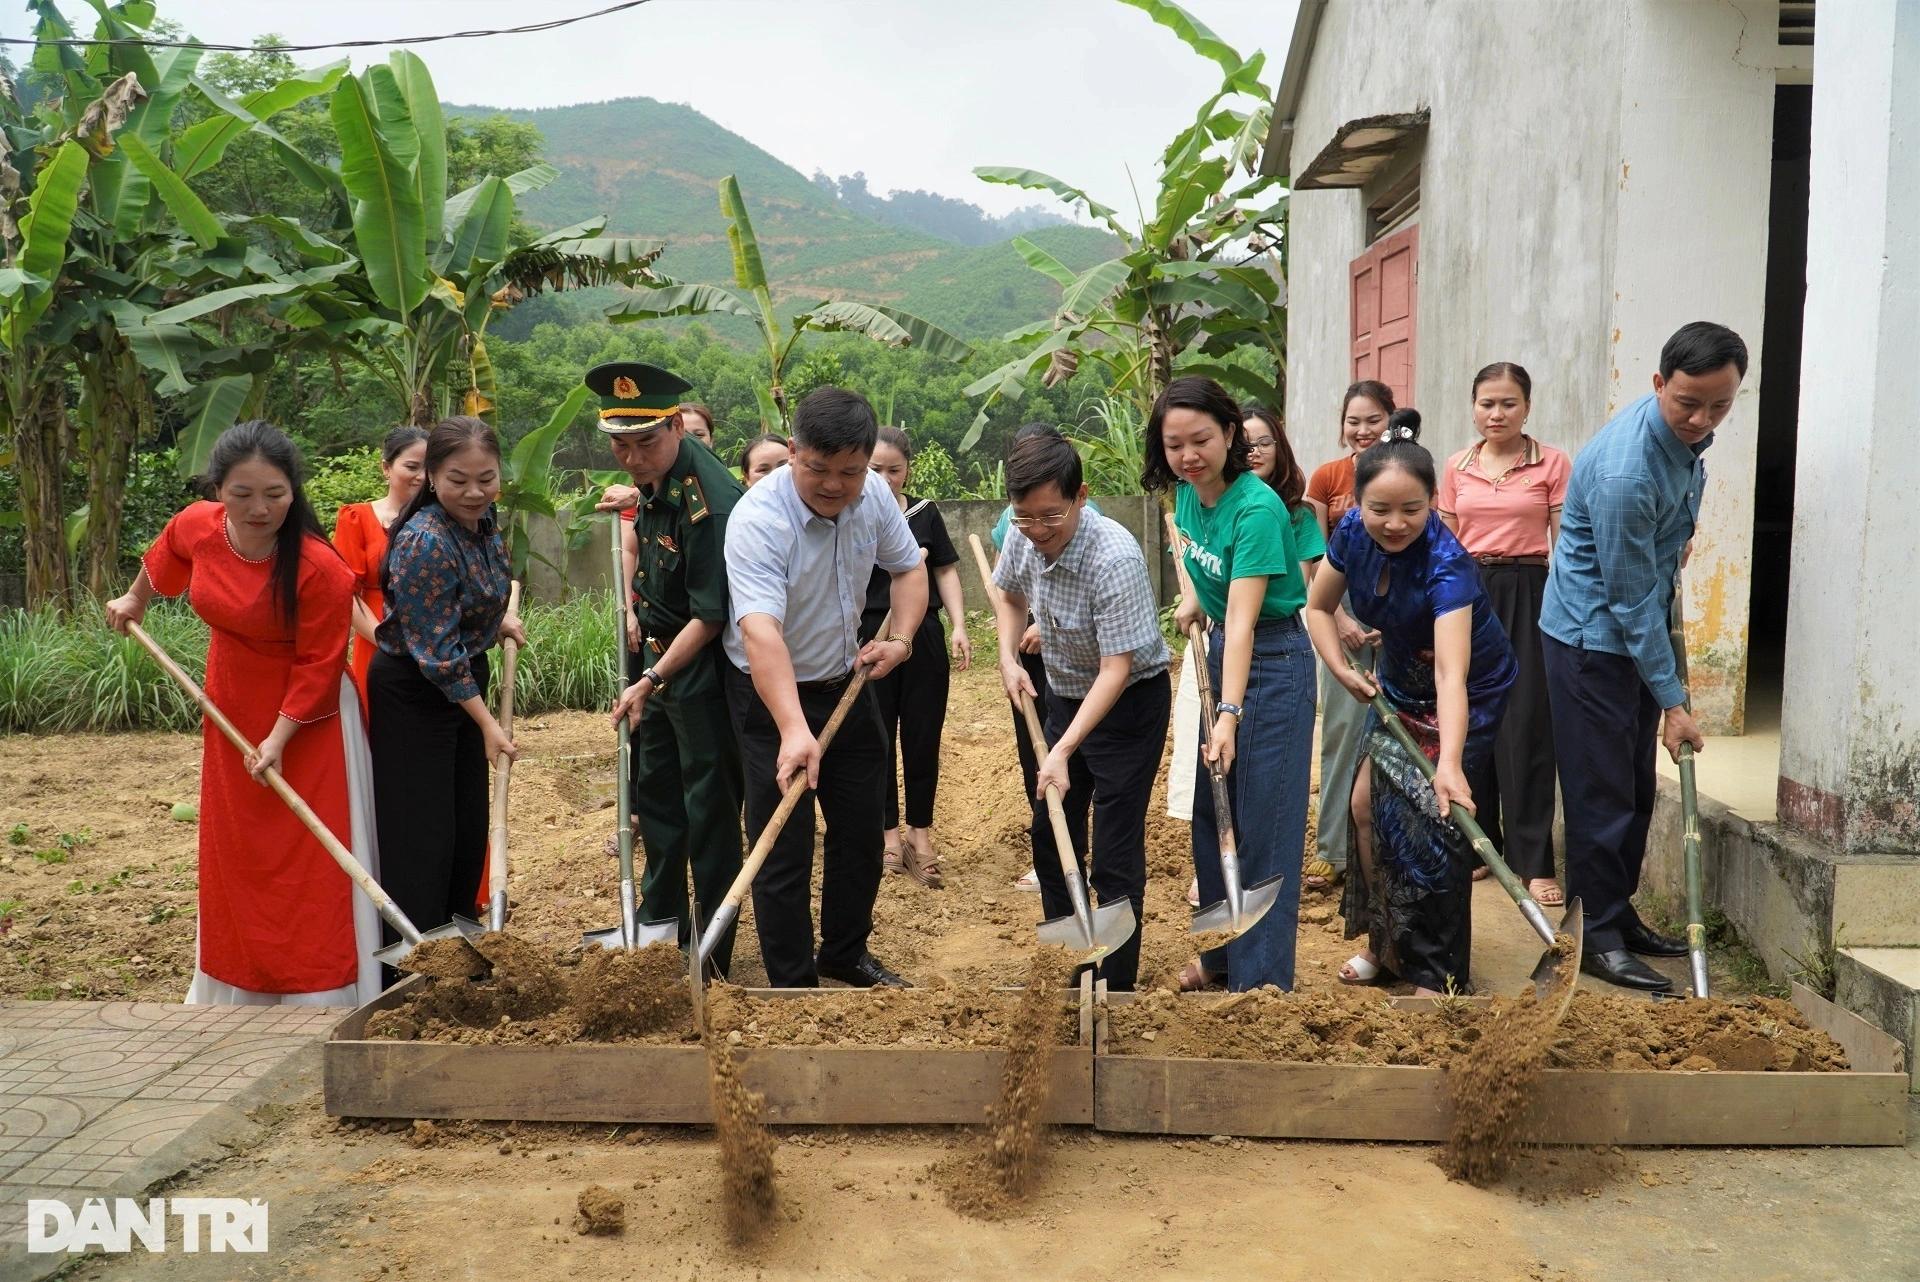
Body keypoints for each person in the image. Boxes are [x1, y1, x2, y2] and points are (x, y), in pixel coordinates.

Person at [105, 421, 381, 1006]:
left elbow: (318, 666)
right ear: (218, 490)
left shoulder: (318, 568)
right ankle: (239, 979)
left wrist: (279, 739)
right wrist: (135, 598)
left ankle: (320, 991)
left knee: (305, 857)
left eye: (275, 494)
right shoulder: (200, 525)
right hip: (229, 705)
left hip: (311, 724)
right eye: (242, 494)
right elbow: (166, 553)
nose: (260, 509)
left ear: (294, 491)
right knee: (242, 850)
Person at [1540, 321, 1745, 991]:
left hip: (1627, 630)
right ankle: (1594, 936)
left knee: (1632, 787)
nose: (1702, 418)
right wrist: (1674, 703)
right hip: (1590, 641)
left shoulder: (1678, 441)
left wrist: (1672, 543)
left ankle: (1616, 913)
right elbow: (1629, 604)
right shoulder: (1630, 469)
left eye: (1720, 405)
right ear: (1659, 384)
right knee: (1602, 794)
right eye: (1688, 402)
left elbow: (1648, 566)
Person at [1305, 412, 1517, 996]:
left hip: (1466, 695)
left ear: (1433, 503)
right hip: (1399, 681)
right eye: (1380, 510)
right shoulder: (1349, 533)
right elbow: (1318, 608)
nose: (1395, 524)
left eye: (1411, 510)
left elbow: (1452, 674)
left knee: (1437, 823)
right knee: (1366, 805)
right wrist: (1340, 669)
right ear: (1358, 503)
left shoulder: (1448, 566)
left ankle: (1438, 971)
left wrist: (1449, 763)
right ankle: (1388, 945)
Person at [723, 387, 926, 988]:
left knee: (862, 833)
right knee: (782, 844)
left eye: (851, 472)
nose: (834, 485)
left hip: (845, 686)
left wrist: (903, 640)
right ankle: (791, 982)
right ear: (793, 452)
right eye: (818, 469)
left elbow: (909, 568)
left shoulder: (874, 501)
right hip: (771, 697)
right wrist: (792, 730)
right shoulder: (759, 519)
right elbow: (760, 633)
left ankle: (843, 952)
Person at [1151, 380, 1318, 992]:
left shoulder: (1258, 509)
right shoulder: (1191, 499)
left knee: (1264, 826)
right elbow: (1206, 570)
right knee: (1210, 816)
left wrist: (1227, 714)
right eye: (1175, 444)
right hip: (1225, 648)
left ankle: (1262, 987)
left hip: (1272, 661)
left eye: (1201, 440)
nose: (1189, 455)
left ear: (1229, 436)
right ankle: (1224, 959)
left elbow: (1247, 621)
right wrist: (1195, 597)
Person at [993, 427, 1170, 991]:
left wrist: (1064, 749)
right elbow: (1010, 596)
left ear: (1081, 496)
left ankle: (1113, 986)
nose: (1038, 530)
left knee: (1114, 852)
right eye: (1025, 516)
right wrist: (1009, 659)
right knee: (1051, 832)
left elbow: (1117, 669)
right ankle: (1071, 961)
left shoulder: (1113, 557)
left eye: (1052, 516)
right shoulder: (1023, 536)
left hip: (1127, 706)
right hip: (1063, 692)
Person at [590, 363, 749, 972]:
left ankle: (709, 956)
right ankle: (658, 937)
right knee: (656, 802)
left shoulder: (709, 501)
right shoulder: (657, 482)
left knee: (707, 812)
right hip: (658, 663)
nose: (630, 458)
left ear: (677, 425)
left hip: (700, 673)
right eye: (619, 444)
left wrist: (650, 679)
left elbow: (710, 616)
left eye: (644, 442)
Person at [368, 417, 526, 970]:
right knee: (423, 836)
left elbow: (474, 601)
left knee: (465, 829)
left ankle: (461, 952)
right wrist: (488, 724)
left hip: (464, 686)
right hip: (415, 693)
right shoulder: (422, 540)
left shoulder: (484, 522)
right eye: (459, 479)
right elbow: (436, 652)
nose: (475, 492)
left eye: (487, 478)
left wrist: (496, 624)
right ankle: (412, 971)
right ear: (432, 476)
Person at [1437, 362, 1570, 907]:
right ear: (1473, 406)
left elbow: (1563, 542)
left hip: (1532, 589)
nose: (1497, 414)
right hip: (1468, 593)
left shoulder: (1552, 463)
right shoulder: (1455, 466)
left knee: (1528, 719)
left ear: (1527, 408)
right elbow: (1443, 545)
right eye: (1487, 403)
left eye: (1508, 403)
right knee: (1468, 715)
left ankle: (1533, 860)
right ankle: (1477, 846)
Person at [860, 426, 971, 888]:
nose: (885, 479)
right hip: (869, 637)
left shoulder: (925, 514)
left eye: (894, 470)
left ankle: (920, 835)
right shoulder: (851, 514)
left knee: (922, 737)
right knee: (878, 738)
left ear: (908, 470)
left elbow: (944, 569)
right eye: (874, 470)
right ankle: (888, 837)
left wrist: (959, 625)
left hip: (920, 636)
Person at [1302, 381, 1396, 891]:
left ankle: (1382, 846)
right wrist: (1340, 620)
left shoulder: (1404, 468)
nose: (1363, 431)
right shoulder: (1326, 478)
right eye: (1354, 421)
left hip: (1397, 612)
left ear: (1391, 420)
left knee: (1397, 730)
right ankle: (1331, 849)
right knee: (1342, 729)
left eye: (1374, 420)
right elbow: (1314, 560)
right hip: (1339, 609)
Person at [332, 426, 427, 701]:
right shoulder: (357, 518)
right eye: (412, 466)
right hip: (378, 640)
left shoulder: (444, 520)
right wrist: (386, 641)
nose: (422, 476)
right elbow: (346, 593)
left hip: (435, 645)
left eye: (429, 467)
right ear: (386, 467)